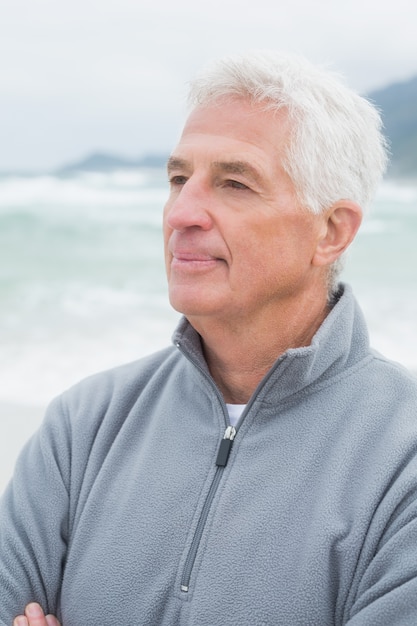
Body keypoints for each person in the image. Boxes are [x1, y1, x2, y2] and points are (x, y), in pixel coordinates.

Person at [2, 50, 417, 626]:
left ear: (331, 231)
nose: (182, 212)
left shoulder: (403, 457)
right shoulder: (83, 425)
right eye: (178, 178)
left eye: (235, 183)